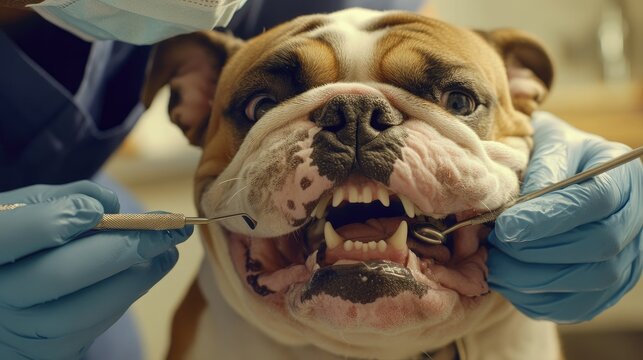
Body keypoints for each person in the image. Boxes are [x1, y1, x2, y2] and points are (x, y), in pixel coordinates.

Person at [0, 1, 640, 359]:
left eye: (458, 101)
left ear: (525, 92)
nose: (357, 123)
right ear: (190, 103)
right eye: (259, 108)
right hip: (48, 257)